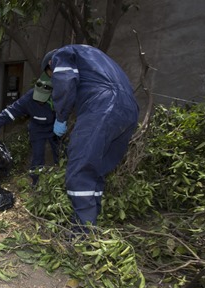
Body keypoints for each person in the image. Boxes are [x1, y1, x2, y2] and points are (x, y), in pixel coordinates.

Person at [41, 44, 139, 234]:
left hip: (102, 105)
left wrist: (61, 117)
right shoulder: (92, 55)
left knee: (80, 168)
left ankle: (82, 234)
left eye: (51, 75)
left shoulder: (61, 55)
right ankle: (91, 222)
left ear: (51, 65)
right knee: (97, 169)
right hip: (129, 109)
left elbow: (65, 82)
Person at [0, 72, 59, 185]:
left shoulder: (58, 97)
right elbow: (10, 112)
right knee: (37, 157)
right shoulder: (28, 99)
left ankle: (62, 178)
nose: (40, 100)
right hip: (37, 129)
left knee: (61, 153)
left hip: (55, 127)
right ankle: (35, 184)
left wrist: (62, 122)